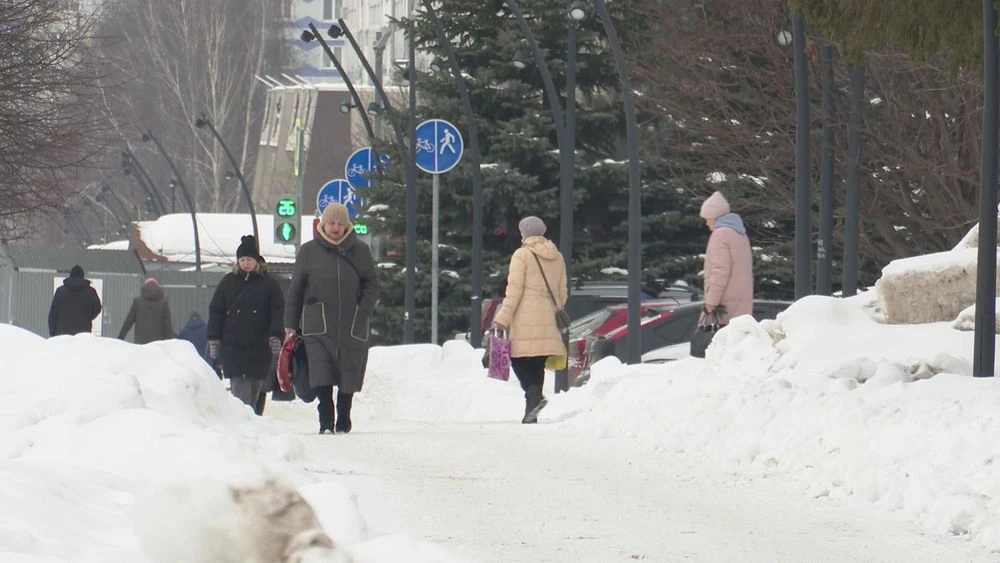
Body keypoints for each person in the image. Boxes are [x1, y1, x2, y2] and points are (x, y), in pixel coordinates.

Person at [285, 203, 378, 435]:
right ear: (323, 224)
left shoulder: (361, 251)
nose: (336, 227)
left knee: (349, 369)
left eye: (340, 223)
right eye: (331, 223)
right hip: (317, 324)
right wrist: (290, 324)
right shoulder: (308, 251)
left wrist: (363, 310)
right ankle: (326, 418)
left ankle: (344, 414)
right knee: (321, 371)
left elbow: (372, 284)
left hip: (352, 322)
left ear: (347, 225)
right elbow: (295, 290)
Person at [492, 216, 567, 424]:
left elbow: (513, 291)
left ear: (524, 233)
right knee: (537, 363)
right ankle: (530, 412)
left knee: (517, 359)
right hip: (548, 318)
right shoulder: (557, 256)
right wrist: (553, 308)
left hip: (524, 317)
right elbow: (562, 292)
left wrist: (502, 318)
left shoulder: (522, 255)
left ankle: (535, 397)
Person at [207, 235, 285, 414]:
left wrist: (275, 334)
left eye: (249, 259)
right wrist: (214, 338)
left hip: (260, 345)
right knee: (239, 388)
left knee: (256, 385)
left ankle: (252, 420)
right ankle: (245, 422)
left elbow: (277, 311)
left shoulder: (269, 285)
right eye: (242, 259)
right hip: (233, 346)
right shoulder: (228, 283)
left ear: (257, 261)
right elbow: (216, 310)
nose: (245, 263)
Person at [698, 191, 753, 326]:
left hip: (724, 308)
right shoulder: (740, 234)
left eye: (707, 218)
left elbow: (720, 271)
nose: (706, 223)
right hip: (741, 307)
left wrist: (711, 302)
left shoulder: (720, 234)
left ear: (714, 217)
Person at [48, 265, 102, 336]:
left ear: (70, 276)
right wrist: (87, 316)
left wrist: (53, 334)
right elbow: (97, 308)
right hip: (83, 334)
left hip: (62, 335)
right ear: (82, 277)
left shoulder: (60, 291)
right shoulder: (91, 292)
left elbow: (52, 315)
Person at [118, 277, 173, 343]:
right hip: (158, 343)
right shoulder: (164, 302)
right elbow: (167, 324)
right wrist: (170, 341)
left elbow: (129, 321)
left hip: (140, 341)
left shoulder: (137, 301)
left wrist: (121, 337)